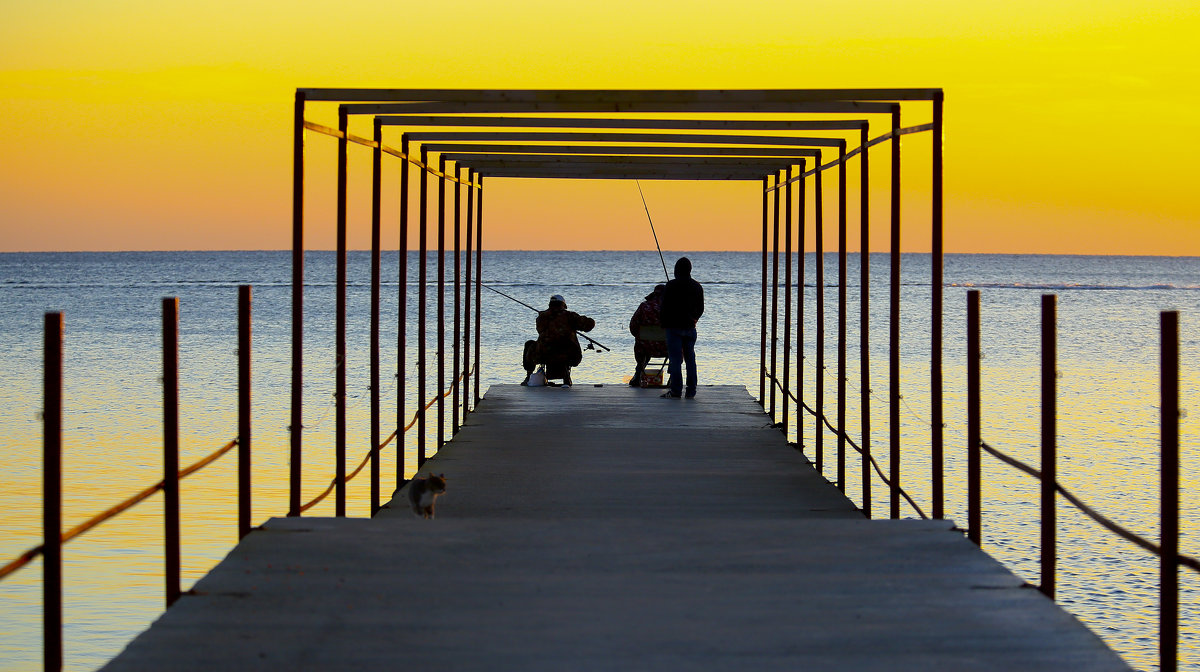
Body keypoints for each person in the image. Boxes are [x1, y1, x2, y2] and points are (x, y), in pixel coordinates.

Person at [521, 294, 595, 387]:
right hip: (569, 355)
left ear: (550, 304)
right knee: (566, 346)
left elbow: (539, 330)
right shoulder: (570, 316)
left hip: (543, 354)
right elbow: (588, 325)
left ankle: (528, 376)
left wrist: (543, 315)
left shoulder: (542, 317)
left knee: (529, 344)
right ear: (563, 305)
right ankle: (566, 378)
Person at [659, 257, 704, 398]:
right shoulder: (697, 286)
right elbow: (701, 309)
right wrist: (694, 319)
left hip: (673, 328)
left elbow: (664, 307)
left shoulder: (670, 286)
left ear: (677, 270)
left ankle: (676, 390)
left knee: (676, 359)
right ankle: (691, 391)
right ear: (690, 270)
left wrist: (664, 323)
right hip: (690, 327)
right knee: (690, 360)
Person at [628, 284, 666, 386]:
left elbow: (633, 326)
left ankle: (638, 374)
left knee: (641, 345)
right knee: (678, 345)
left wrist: (640, 336)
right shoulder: (671, 308)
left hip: (645, 347)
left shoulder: (644, 306)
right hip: (666, 348)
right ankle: (673, 378)